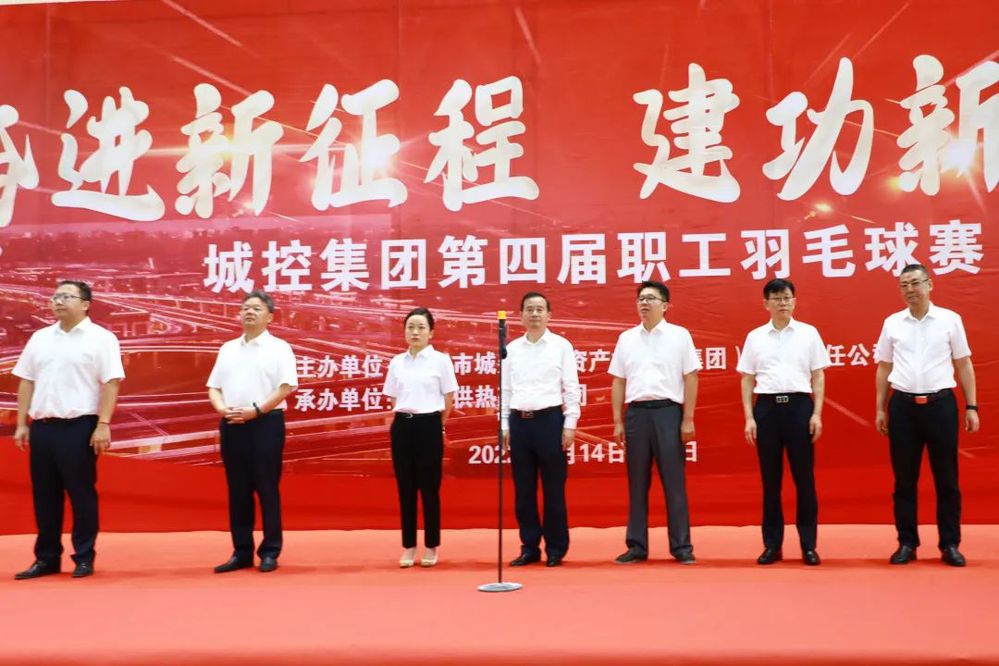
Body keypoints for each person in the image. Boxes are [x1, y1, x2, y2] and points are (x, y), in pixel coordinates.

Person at [12, 280, 125, 579]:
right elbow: (26, 380)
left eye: (66, 296)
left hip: (79, 427)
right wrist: (22, 423)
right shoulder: (40, 338)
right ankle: (46, 558)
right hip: (43, 428)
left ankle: (84, 557)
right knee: (45, 495)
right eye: (55, 296)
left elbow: (111, 382)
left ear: (86, 304)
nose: (58, 301)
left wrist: (103, 424)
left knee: (81, 494)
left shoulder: (102, 339)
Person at [874, 263, 979, 567]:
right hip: (903, 407)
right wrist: (880, 407)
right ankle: (907, 543)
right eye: (904, 285)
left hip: (940, 406)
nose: (910, 289)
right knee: (904, 481)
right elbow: (884, 367)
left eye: (916, 283)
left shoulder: (949, 320)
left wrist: (971, 406)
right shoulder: (892, 323)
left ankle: (950, 544)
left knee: (947, 479)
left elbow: (963, 364)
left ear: (930, 284)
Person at [737, 278, 828, 566]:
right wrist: (749, 417)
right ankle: (772, 545)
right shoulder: (755, 337)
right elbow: (747, 379)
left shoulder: (808, 334)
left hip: (800, 407)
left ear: (794, 301)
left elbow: (818, 376)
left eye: (787, 298)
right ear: (766, 303)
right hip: (766, 409)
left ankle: (809, 546)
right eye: (776, 298)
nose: (782, 303)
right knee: (770, 481)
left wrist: (816, 413)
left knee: (805, 480)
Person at [609, 280, 700, 565]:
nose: (645, 303)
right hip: (636, 414)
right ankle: (637, 545)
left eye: (651, 298)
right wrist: (618, 421)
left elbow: (691, 377)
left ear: (665, 305)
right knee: (637, 482)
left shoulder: (679, 336)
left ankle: (681, 547)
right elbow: (618, 380)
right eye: (641, 299)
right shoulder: (626, 338)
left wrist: (688, 418)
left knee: (674, 482)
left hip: (668, 413)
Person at [207, 290, 297, 574]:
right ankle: (242, 551)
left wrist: (257, 410)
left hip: (266, 423)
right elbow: (214, 387)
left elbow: (286, 386)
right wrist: (222, 409)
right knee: (238, 490)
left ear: (270, 316)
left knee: (267, 488)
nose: (249, 312)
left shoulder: (279, 348)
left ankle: (270, 551)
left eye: (256, 308)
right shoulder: (228, 348)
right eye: (245, 308)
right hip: (232, 423)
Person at [501, 292, 581, 568]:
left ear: (549, 315)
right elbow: (505, 390)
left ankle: (556, 548)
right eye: (529, 309)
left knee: (553, 490)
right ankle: (530, 546)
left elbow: (572, 388)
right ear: (520, 315)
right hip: (519, 423)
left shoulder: (561, 346)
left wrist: (570, 424)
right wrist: (504, 424)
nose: (534, 314)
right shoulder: (511, 349)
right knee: (523, 491)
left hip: (550, 422)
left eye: (539, 309)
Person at [382, 307, 457, 568]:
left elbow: (448, 398)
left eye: (421, 327)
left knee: (429, 488)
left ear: (431, 332)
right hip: (403, 426)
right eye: (410, 327)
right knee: (405, 488)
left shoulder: (440, 361)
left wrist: (437, 425)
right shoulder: (397, 362)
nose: (415, 332)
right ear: (404, 331)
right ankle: (409, 546)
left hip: (429, 426)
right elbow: (393, 397)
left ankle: (431, 545)